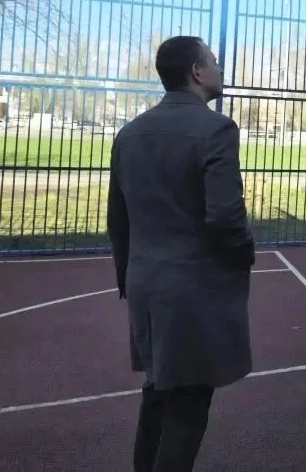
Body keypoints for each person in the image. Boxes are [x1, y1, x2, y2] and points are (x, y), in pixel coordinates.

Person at [107, 36, 255, 472]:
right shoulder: (216, 129)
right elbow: (225, 216)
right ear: (196, 71)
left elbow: (118, 219)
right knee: (189, 403)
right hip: (193, 290)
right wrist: (244, 254)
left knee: (159, 391)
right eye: (213, 60)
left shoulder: (129, 134)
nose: (219, 67)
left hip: (146, 284)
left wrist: (127, 274)